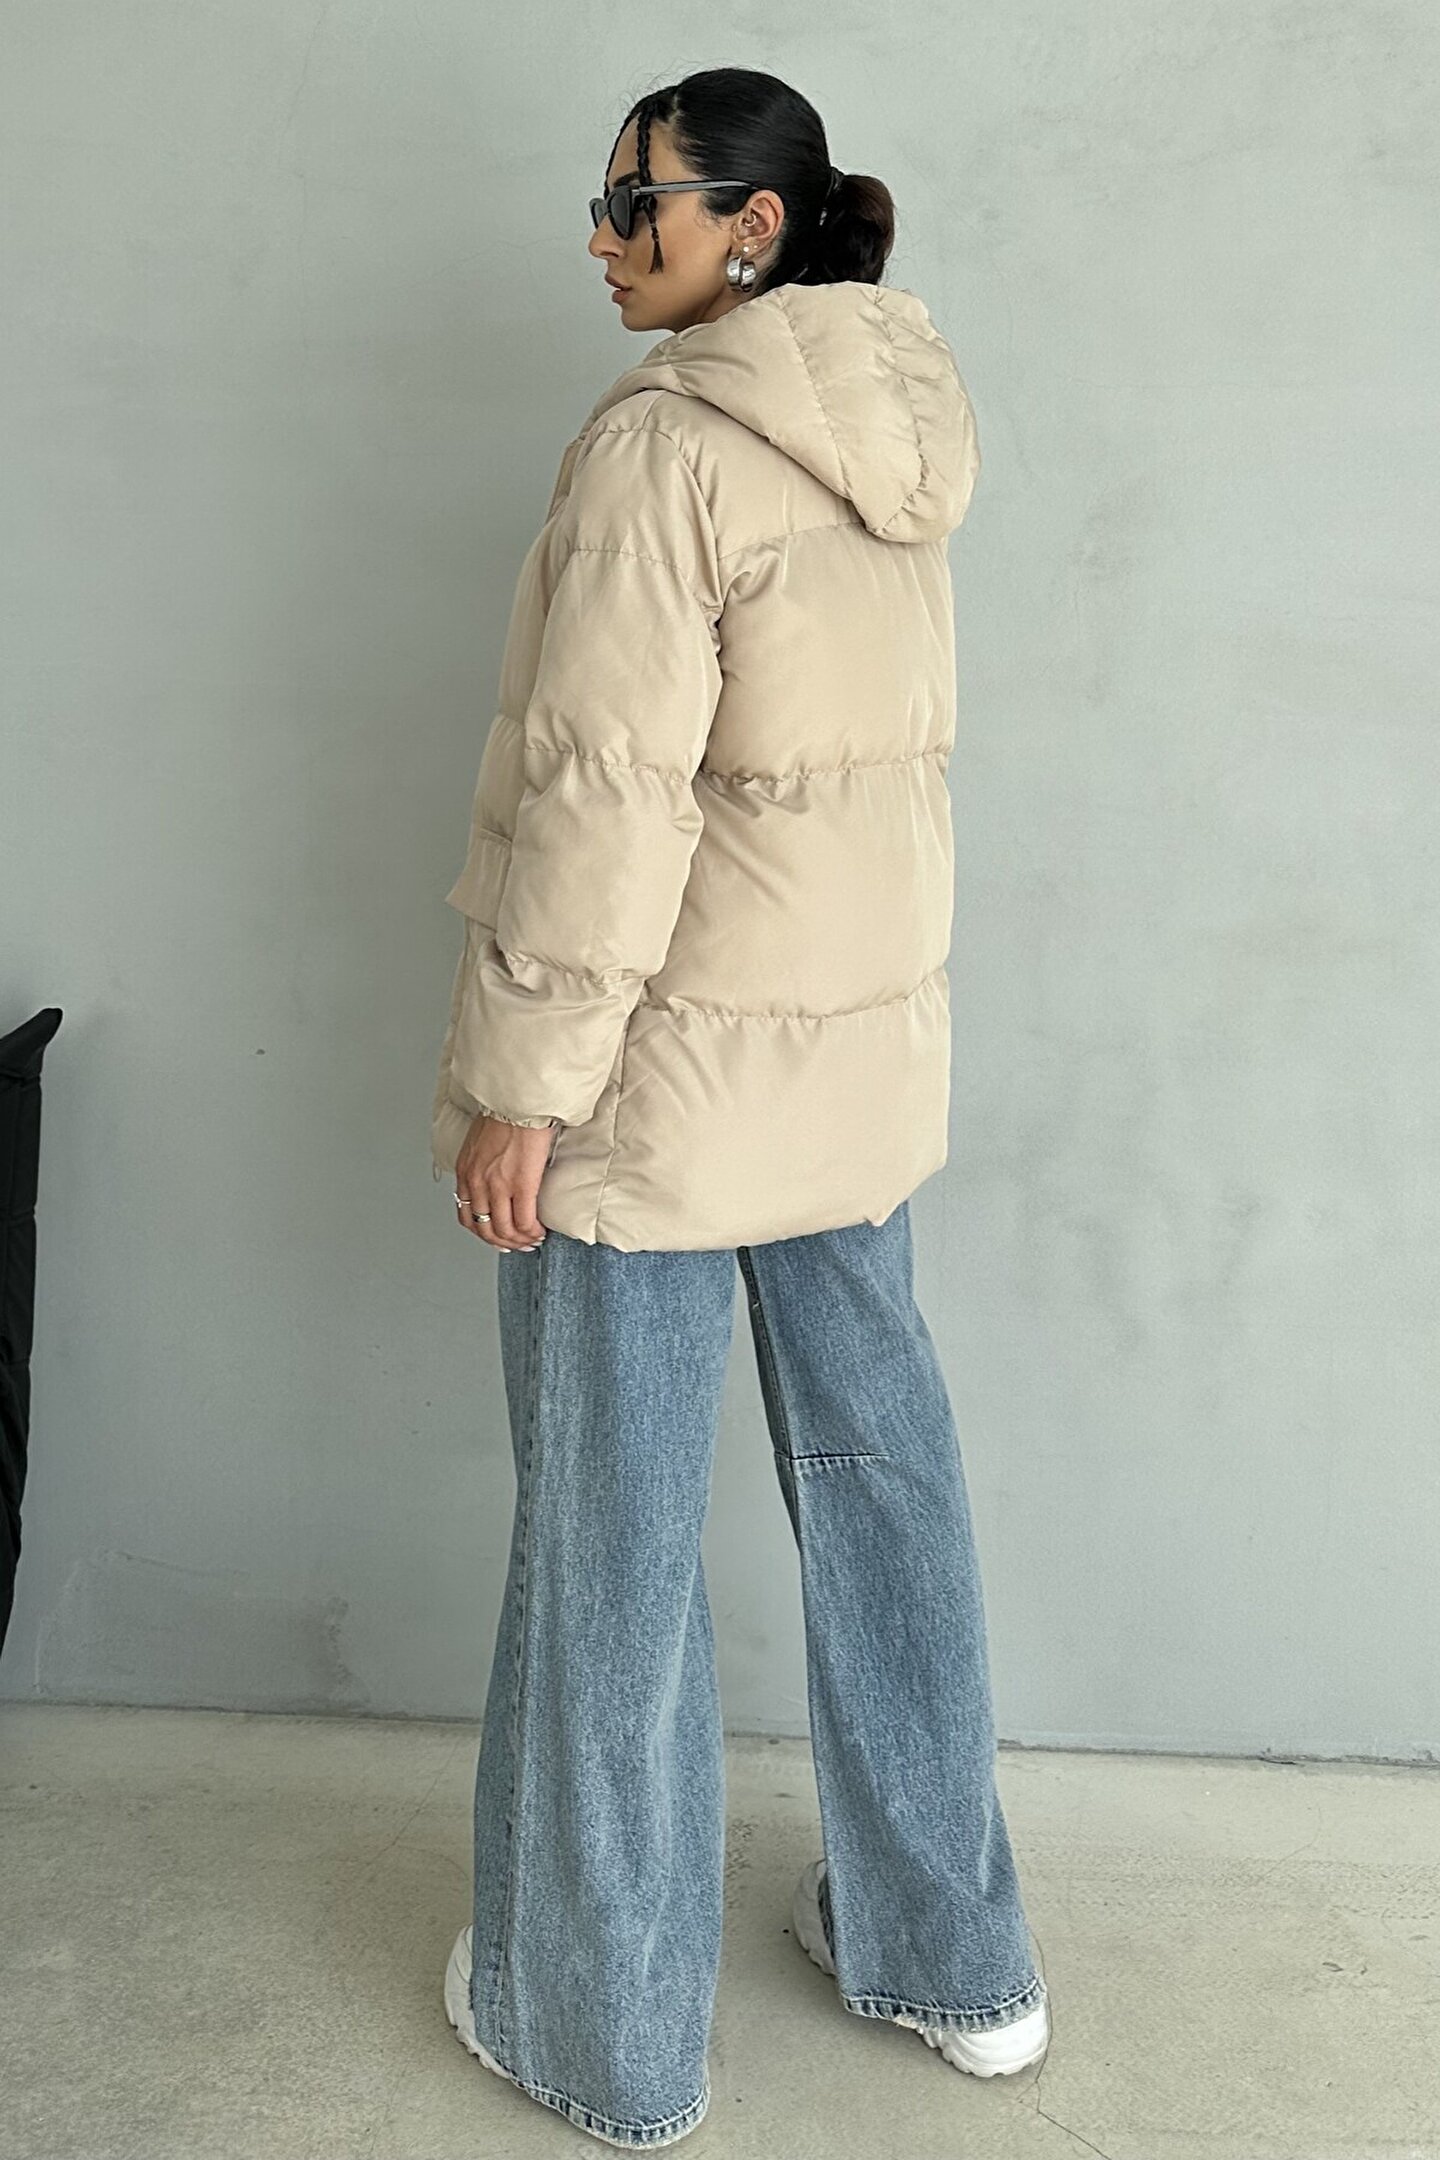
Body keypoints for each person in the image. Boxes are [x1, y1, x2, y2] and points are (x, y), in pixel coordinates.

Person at [433, 65, 1050, 2152]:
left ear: (753, 231)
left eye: (643, 205)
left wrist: (525, 1089)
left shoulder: (664, 448)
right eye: (603, 200)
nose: (606, 238)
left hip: (662, 1090)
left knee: (609, 1547)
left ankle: (598, 2032)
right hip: (848, 1080)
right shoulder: (899, 429)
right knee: (889, 1493)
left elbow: (607, 808)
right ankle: (961, 1962)